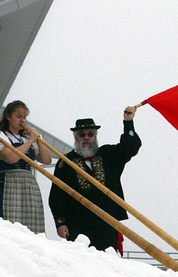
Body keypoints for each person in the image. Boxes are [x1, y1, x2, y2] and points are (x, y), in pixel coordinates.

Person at [48, 107, 141, 253]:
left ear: (95, 136)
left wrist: (128, 122)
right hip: (78, 224)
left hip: (107, 223)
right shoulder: (66, 162)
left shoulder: (108, 155)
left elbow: (131, 147)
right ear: (75, 137)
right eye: (82, 134)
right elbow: (56, 196)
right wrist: (60, 223)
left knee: (108, 263)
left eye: (90, 134)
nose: (86, 137)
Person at [0, 100, 52, 233]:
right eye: (18, 116)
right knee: (9, 222)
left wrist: (39, 139)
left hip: (28, 184)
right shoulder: (0, 136)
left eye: (24, 117)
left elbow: (46, 160)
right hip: (9, 182)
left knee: (30, 224)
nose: (22, 120)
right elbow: (10, 158)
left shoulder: (25, 139)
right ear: (8, 116)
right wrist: (30, 141)